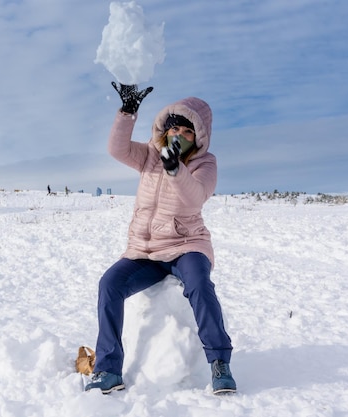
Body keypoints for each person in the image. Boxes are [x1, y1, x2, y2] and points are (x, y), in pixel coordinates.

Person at [84, 82, 236, 395]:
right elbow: (117, 149)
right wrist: (127, 113)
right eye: (174, 128)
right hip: (144, 251)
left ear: (199, 137)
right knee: (109, 284)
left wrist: (175, 168)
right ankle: (108, 369)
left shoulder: (205, 164)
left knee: (199, 285)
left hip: (186, 247)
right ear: (164, 132)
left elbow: (194, 199)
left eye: (188, 131)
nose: (179, 135)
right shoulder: (150, 156)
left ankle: (219, 362)